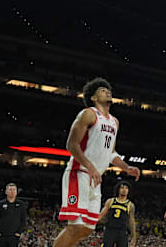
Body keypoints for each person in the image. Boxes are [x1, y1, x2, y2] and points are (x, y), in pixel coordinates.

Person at [54, 78, 141, 247]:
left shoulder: (114, 122)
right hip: (79, 173)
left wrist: (126, 167)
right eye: (102, 90)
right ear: (93, 97)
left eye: (108, 90)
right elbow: (71, 145)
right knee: (76, 226)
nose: (108, 92)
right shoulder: (88, 113)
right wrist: (90, 167)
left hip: (96, 178)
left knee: (87, 228)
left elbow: (112, 152)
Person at [99, 181, 136, 247]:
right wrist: (91, 224)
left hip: (122, 232)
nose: (124, 190)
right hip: (110, 230)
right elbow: (101, 215)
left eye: (126, 188)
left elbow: (131, 222)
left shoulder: (130, 205)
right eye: (122, 188)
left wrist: (133, 237)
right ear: (118, 189)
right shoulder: (110, 201)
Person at [0, 183, 27, 247]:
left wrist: (19, 232)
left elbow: (23, 220)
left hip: (14, 236)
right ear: (6, 192)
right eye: (10, 190)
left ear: (16, 192)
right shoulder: (0, 204)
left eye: (14, 190)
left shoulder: (21, 204)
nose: (12, 192)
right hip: (1, 236)